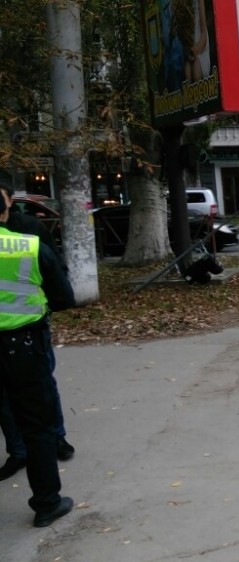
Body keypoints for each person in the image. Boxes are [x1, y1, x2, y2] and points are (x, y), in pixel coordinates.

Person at [0, 192, 76, 527]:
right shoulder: (28, 247)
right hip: (23, 347)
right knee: (38, 426)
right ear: (6, 209)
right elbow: (63, 297)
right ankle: (47, 503)